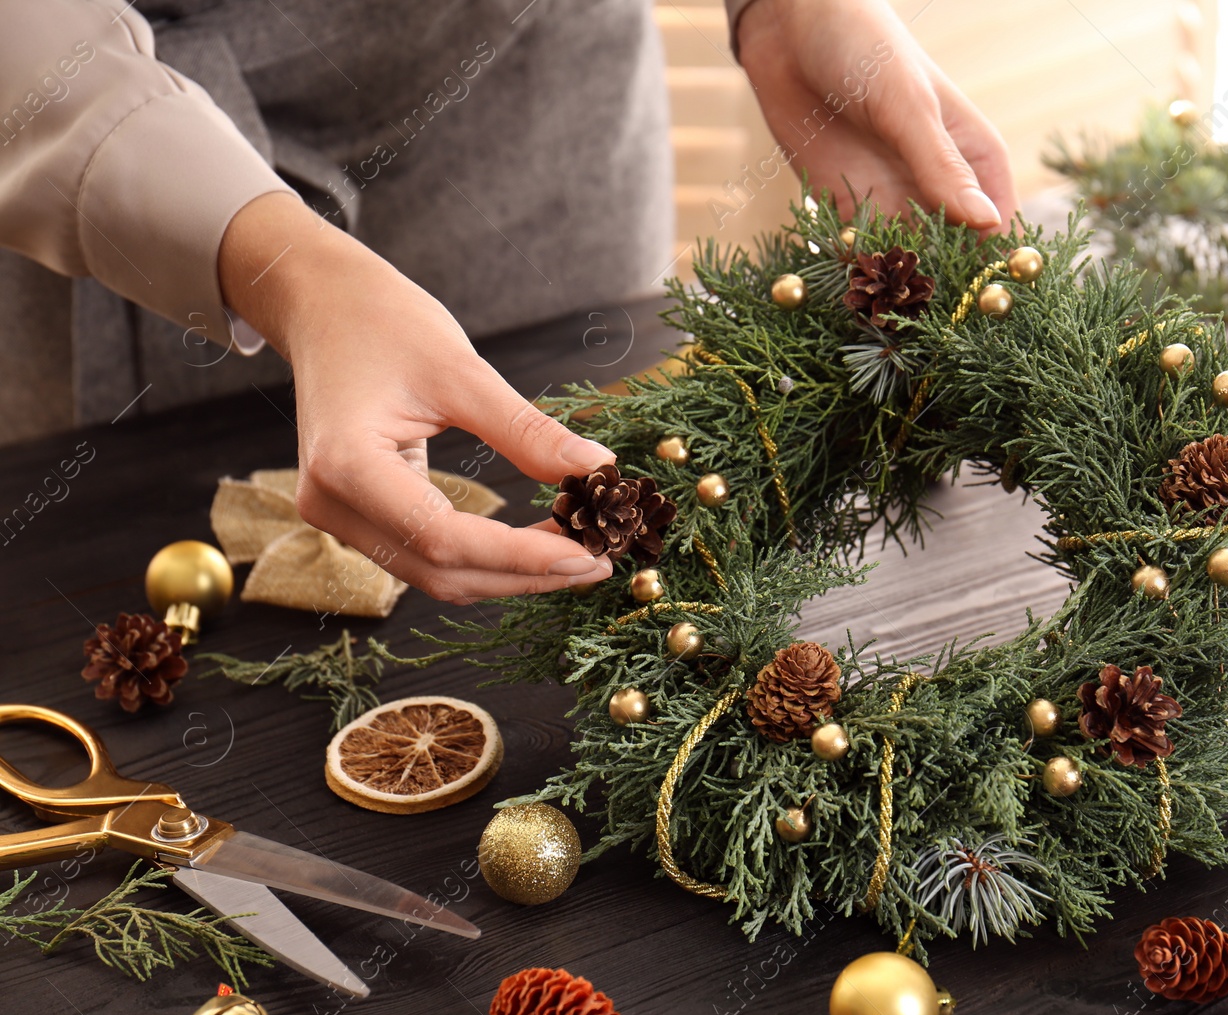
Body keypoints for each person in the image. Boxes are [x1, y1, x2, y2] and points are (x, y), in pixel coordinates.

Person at [0, 0, 1017, 603]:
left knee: (546, 586)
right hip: (81, 106)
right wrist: (283, 268)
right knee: (104, 572)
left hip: (522, 72)